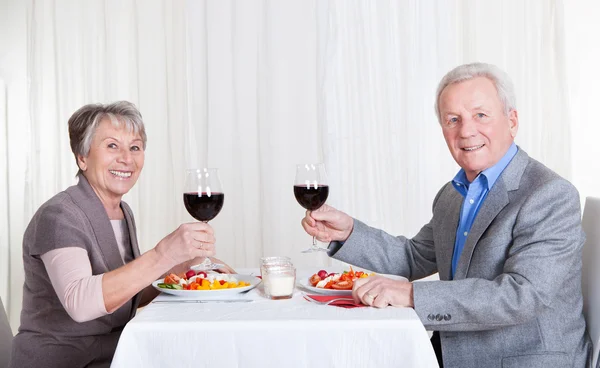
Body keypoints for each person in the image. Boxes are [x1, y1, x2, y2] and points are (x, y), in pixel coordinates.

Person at [302, 63, 592, 367]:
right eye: (453, 119)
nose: (466, 130)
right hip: (450, 354)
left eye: (480, 115)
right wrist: (347, 232)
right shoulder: (453, 194)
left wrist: (412, 295)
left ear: (512, 120)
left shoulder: (549, 194)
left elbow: (522, 295)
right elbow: (414, 258)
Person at [10, 101, 234, 368]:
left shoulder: (121, 211)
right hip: (64, 360)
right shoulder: (59, 216)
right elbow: (81, 303)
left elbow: (125, 294)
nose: (127, 158)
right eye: (112, 145)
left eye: (135, 147)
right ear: (82, 157)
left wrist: (185, 267)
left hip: (116, 354)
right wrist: (163, 254)